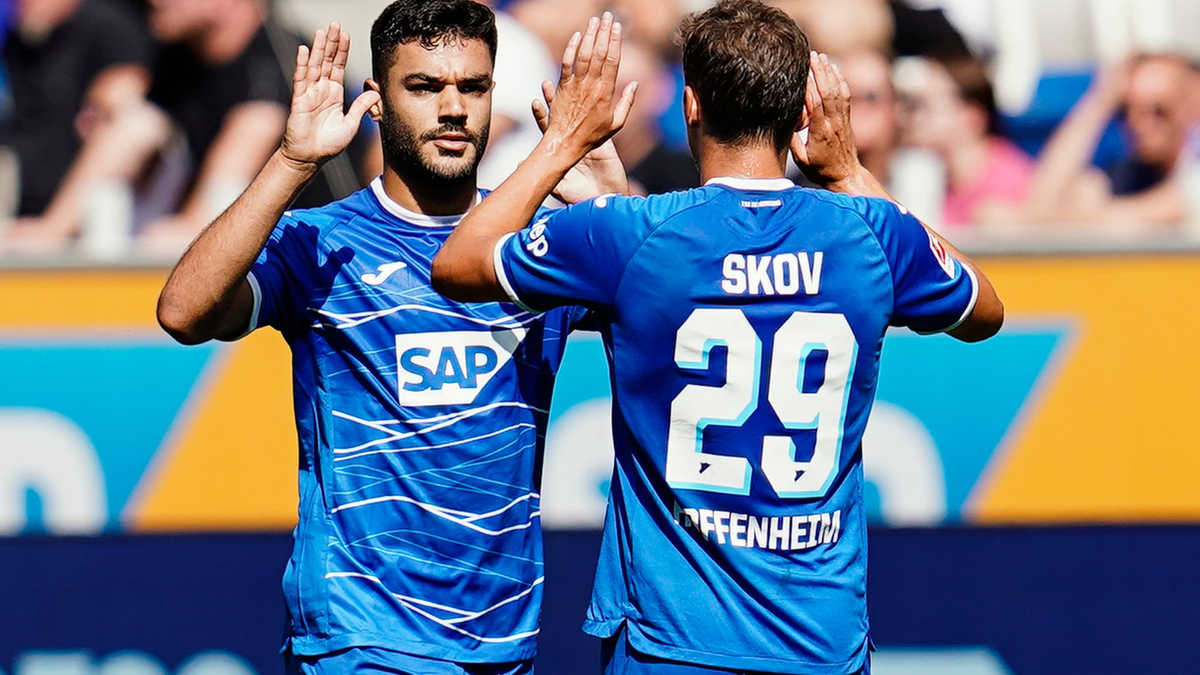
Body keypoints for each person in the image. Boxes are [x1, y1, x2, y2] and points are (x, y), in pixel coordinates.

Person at [432, 3, 1003, 674]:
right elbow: (983, 309)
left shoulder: (634, 234)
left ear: (691, 104)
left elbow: (458, 263)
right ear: (800, 117)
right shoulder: (872, 233)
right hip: (818, 642)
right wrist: (848, 170)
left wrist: (560, 140)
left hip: (672, 642)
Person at [156, 1, 625, 673]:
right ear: (375, 100)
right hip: (363, 634)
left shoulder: (534, 246)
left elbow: (662, 330)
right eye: (425, 87)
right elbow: (183, 311)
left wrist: (615, 203)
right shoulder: (320, 241)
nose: (453, 108)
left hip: (504, 638)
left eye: (472, 87)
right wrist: (291, 163)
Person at [0, 0, 151, 247]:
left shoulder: (108, 25)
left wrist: (102, 103)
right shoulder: (21, 40)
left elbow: (127, 94)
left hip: (88, 216)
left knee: (133, 127)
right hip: (19, 201)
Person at [1022, 54, 1199, 229]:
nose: (1141, 123)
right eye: (1127, 108)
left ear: (1190, 105)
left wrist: (1058, 217)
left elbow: (1170, 206)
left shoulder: (1193, 169)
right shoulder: (1127, 175)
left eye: (1157, 109)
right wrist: (1100, 102)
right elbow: (1043, 203)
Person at [899, 55, 1034, 227]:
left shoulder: (1010, 182)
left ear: (971, 116)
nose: (906, 116)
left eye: (924, 105)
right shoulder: (937, 178)